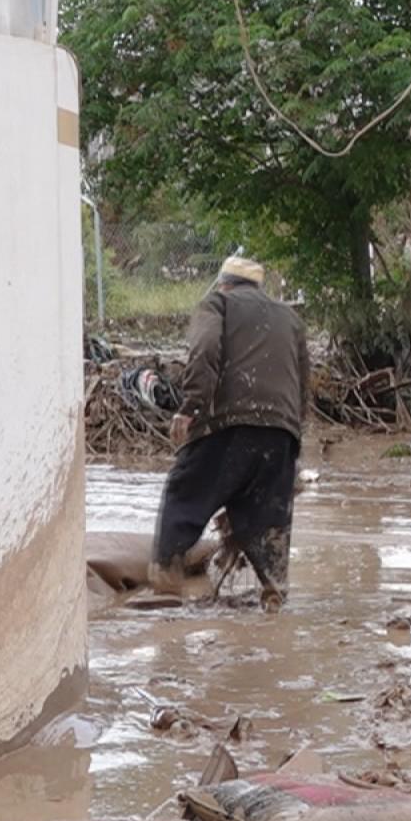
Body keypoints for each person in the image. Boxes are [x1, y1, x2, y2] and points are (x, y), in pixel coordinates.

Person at [150, 255, 311, 611]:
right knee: (269, 521)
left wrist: (191, 407)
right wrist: (292, 441)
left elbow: (205, 350)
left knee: (184, 494)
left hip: (226, 425)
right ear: (257, 287)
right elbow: (302, 384)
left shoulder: (216, 303)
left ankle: (164, 583)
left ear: (224, 282)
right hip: (280, 434)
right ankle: (273, 593)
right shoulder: (290, 318)